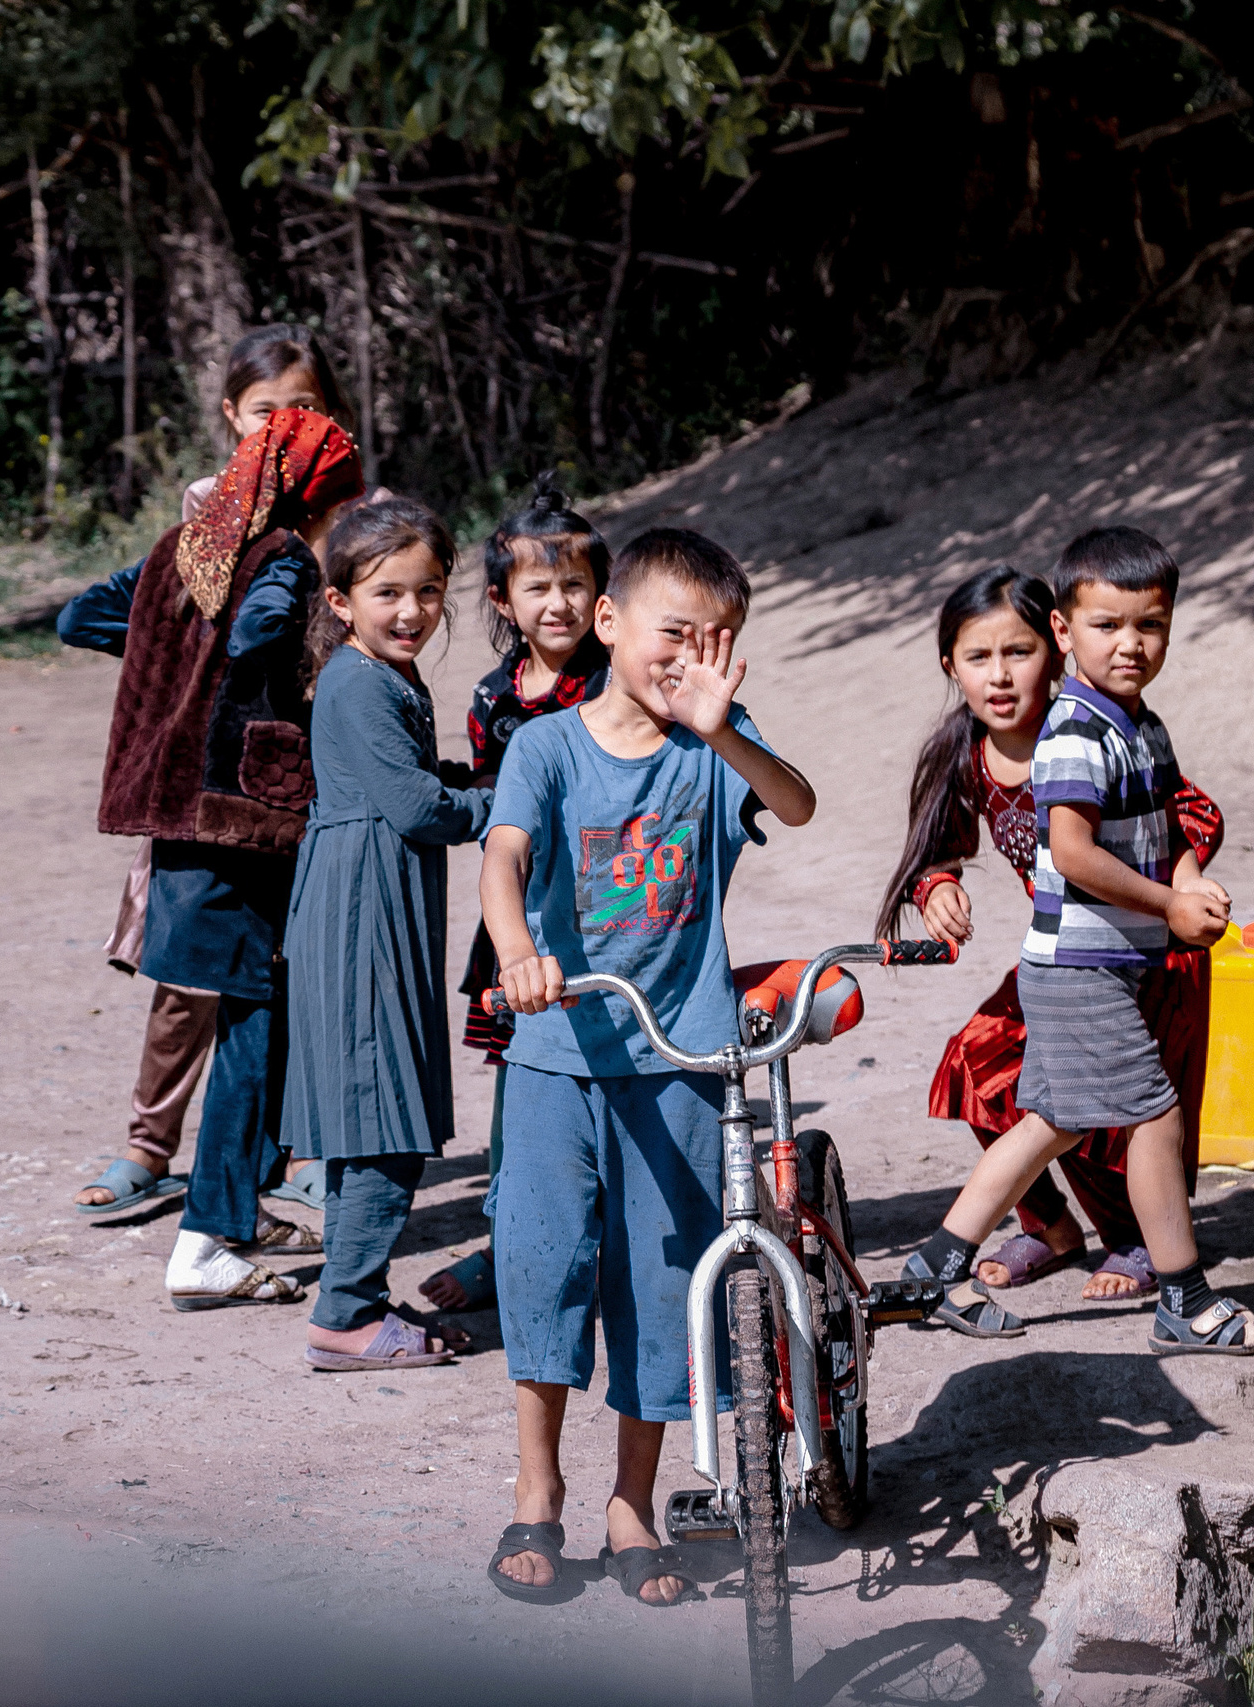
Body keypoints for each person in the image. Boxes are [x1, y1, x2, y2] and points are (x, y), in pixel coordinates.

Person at [479, 527, 815, 1608]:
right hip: (556, 1055)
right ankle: (537, 1494)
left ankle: (633, 1503)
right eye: (675, 636)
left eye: (717, 643)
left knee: (662, 1289)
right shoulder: (546, 749)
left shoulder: (714, 745)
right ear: (611, 623)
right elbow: (504, 859)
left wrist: (727, 736)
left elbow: (798, 807)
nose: (691, 660)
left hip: (678, 1058)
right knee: (540, 1267)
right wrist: (518, 956)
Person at [899, 526, 1254, 1356]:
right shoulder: (1067, 733)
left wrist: (1187, 883)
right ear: (1071, 633)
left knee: (1055, 1119)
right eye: (979, 657)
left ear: (1048, 644)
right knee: (1150, 1114)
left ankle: (935, 1266)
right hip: (1085, 958)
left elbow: (1172, 814)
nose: (1001, 675)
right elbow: (1069, 854)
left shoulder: (1133, 723)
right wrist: (937, 885)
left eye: (1149, 626)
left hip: (1130, 949)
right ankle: (1182, 1296)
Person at [70, 405, 363, 1309]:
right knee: (253, 1026)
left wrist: (176, 662)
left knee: (252, 1019)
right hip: (238, 824)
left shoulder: (177, 549)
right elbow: (257, 634)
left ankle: (232, 1206)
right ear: (313, 492)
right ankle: (205, 1245)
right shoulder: (277, 557)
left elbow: (82, 617)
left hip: (178, 825)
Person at [282, 495, 490, 1369]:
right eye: (388, 594)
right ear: (341, 602)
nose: (412, 612)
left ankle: (357, 1295)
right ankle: (346, 1318)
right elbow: (414, 806)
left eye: (431, 591)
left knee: (372, 1111)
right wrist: (506, 801)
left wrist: (476, 773)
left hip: (365, 900)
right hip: (363, 910)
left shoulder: (377, 674)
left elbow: (403, 775)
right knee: (384, 1123)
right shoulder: (360, 679)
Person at [421, 472, 611, 1315]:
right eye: (539, 586)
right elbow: (502, 810)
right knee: (521, 1085)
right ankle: (511, 1244)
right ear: (503, 598)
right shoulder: (495, 698)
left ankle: (620, 1234)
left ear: (604, 596)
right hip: (521, 922)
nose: (559, 602)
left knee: (619, 1076)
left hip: (615, 909)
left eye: (576, 583)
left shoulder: (618, 683)